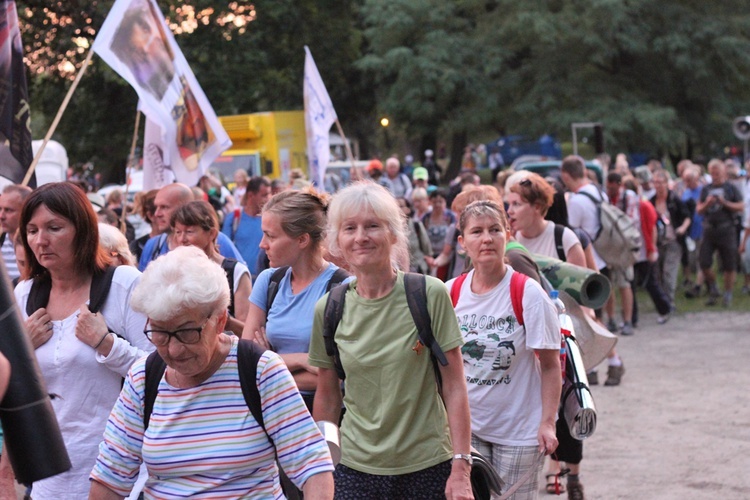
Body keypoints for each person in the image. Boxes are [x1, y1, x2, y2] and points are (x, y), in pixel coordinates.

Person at [89, 246, 335, 499]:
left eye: (186, 333)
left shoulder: (259, 371)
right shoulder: (143, 379)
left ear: (218, 321)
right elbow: (110, 479)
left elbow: (313, 467)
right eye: (160, 333)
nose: (173, 349)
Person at [309, 181, 473, 499]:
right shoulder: (328, 309)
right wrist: (321, 469)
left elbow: (454, 386)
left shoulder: (428, 294)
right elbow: (327, 396)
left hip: (428, 465)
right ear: (336, 240)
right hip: (355, 469)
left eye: (373, 226)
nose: (361, 237)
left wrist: (461, 467)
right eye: (349, 228)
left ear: (393, 233)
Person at [14, 182, 153, 499]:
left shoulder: (124, 283)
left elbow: (161, 373)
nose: (41, 240)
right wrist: (22, 349)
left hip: (119, 471)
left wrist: (108, 345)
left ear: (83, 229)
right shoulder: (25, 294)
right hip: (49, 476)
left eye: (54, 227)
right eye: (32, 230)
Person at [447, 200, 561, 500]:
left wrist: (548, 422)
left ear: (507, 236)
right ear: (462, 242)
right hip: (468, 429)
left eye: (495, 230)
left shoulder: (528, 293)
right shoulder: (449, 293)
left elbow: (550, 365)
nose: (486, 239)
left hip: (519, 430)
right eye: (477, 232)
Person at [243, 189, 350, 413]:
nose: (262, 244)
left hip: (323, 415)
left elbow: (341, 377)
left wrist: (270, 362)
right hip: (272, 412)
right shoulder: (268, 281)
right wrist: (302, 360)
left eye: (270, 236)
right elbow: (246, 360)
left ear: (302, 240)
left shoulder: (343, 287)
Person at [172, 201, 252, 336]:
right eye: (178, 232)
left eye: (189, 232)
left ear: (212, 234)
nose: (182, 239)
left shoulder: (235, 272)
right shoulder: (173, 271)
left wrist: (224, 319)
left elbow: (248, 331)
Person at [139, 183, 245, 271]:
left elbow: (238, 278)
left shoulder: (217, 240)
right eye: (156, 207)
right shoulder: (153, 246)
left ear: (185, 207)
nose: (157, 213)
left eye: (164, 207)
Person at [507, 173, 586, 267]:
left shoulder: (564, 238)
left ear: (537, 207)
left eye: (516, 204)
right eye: (509, 204)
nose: (509, 211)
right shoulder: (508, 240)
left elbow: (579, 280)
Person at [696, 159, 744, 306]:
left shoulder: (731, 188)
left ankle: (728, 293)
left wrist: (725, 203)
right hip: (710, 229)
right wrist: (707, 204)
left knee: (729, 264)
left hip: (727, 229)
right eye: (712, 173)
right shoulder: (705, 189)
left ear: (723, 172)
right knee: (704, 262)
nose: (715, 176)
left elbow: (741, 206)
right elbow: (698, 210)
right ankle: (713, 286)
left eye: (717, 173)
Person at [650, 169, 691, 310]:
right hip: (657, 242)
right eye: (655, 182)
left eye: (661, 182)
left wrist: (682, 228)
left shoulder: (674, 199)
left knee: (669, 271)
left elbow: (687, 217)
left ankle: (669, 302)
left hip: (674, 241)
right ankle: (663, 301)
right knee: (659, 273)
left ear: (667, 183)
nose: (658, 186)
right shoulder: (650, 201)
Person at [221, 176, 271, 279]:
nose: (268, 198)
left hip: (264, 281)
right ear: (251, 195)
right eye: (264, 195)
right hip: (240, 281)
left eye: (269, 194)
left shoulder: (270, 220)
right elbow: (224, 249)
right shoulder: (234, 217)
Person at [0, 184, 32, 281]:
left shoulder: (36, 245)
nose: (1, 216)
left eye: (8, 210)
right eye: (0, 209)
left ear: (25, 211)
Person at [396, 196, 433, 274]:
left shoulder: (417, 225)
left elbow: (427, 249)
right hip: (397, 272)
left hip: (418, 269)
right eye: (395, 206)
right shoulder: (388, 229)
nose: (397, 209)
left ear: (408, 209)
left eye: (401, 206)